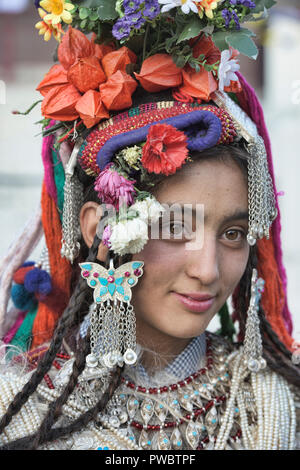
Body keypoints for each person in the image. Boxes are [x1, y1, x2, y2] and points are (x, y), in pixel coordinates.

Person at [0, 0, 299, 450]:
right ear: (98, 228)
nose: (208, 270)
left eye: (233, 234)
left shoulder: (278, 404)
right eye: (175, 227)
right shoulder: (18, 412)